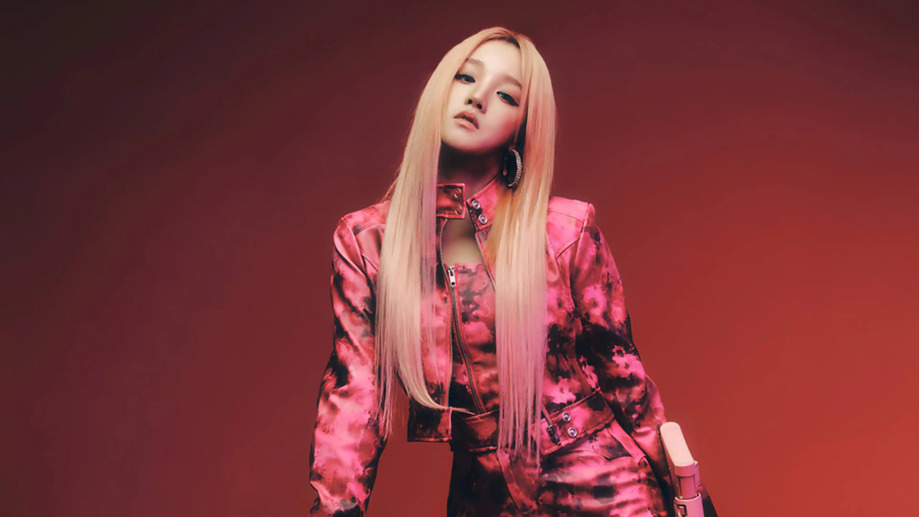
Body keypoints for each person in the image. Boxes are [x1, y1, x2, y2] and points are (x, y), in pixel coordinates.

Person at [309, 27, 716, 516]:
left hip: (607, 485)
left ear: (522, 128)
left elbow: (624, 376)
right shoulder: (367, 241)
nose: (478, 98)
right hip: (482, 496)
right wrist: (335, 509)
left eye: (506, 95)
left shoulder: (564, 230)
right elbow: (354, 393)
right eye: (465, 78)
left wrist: (690, 495)